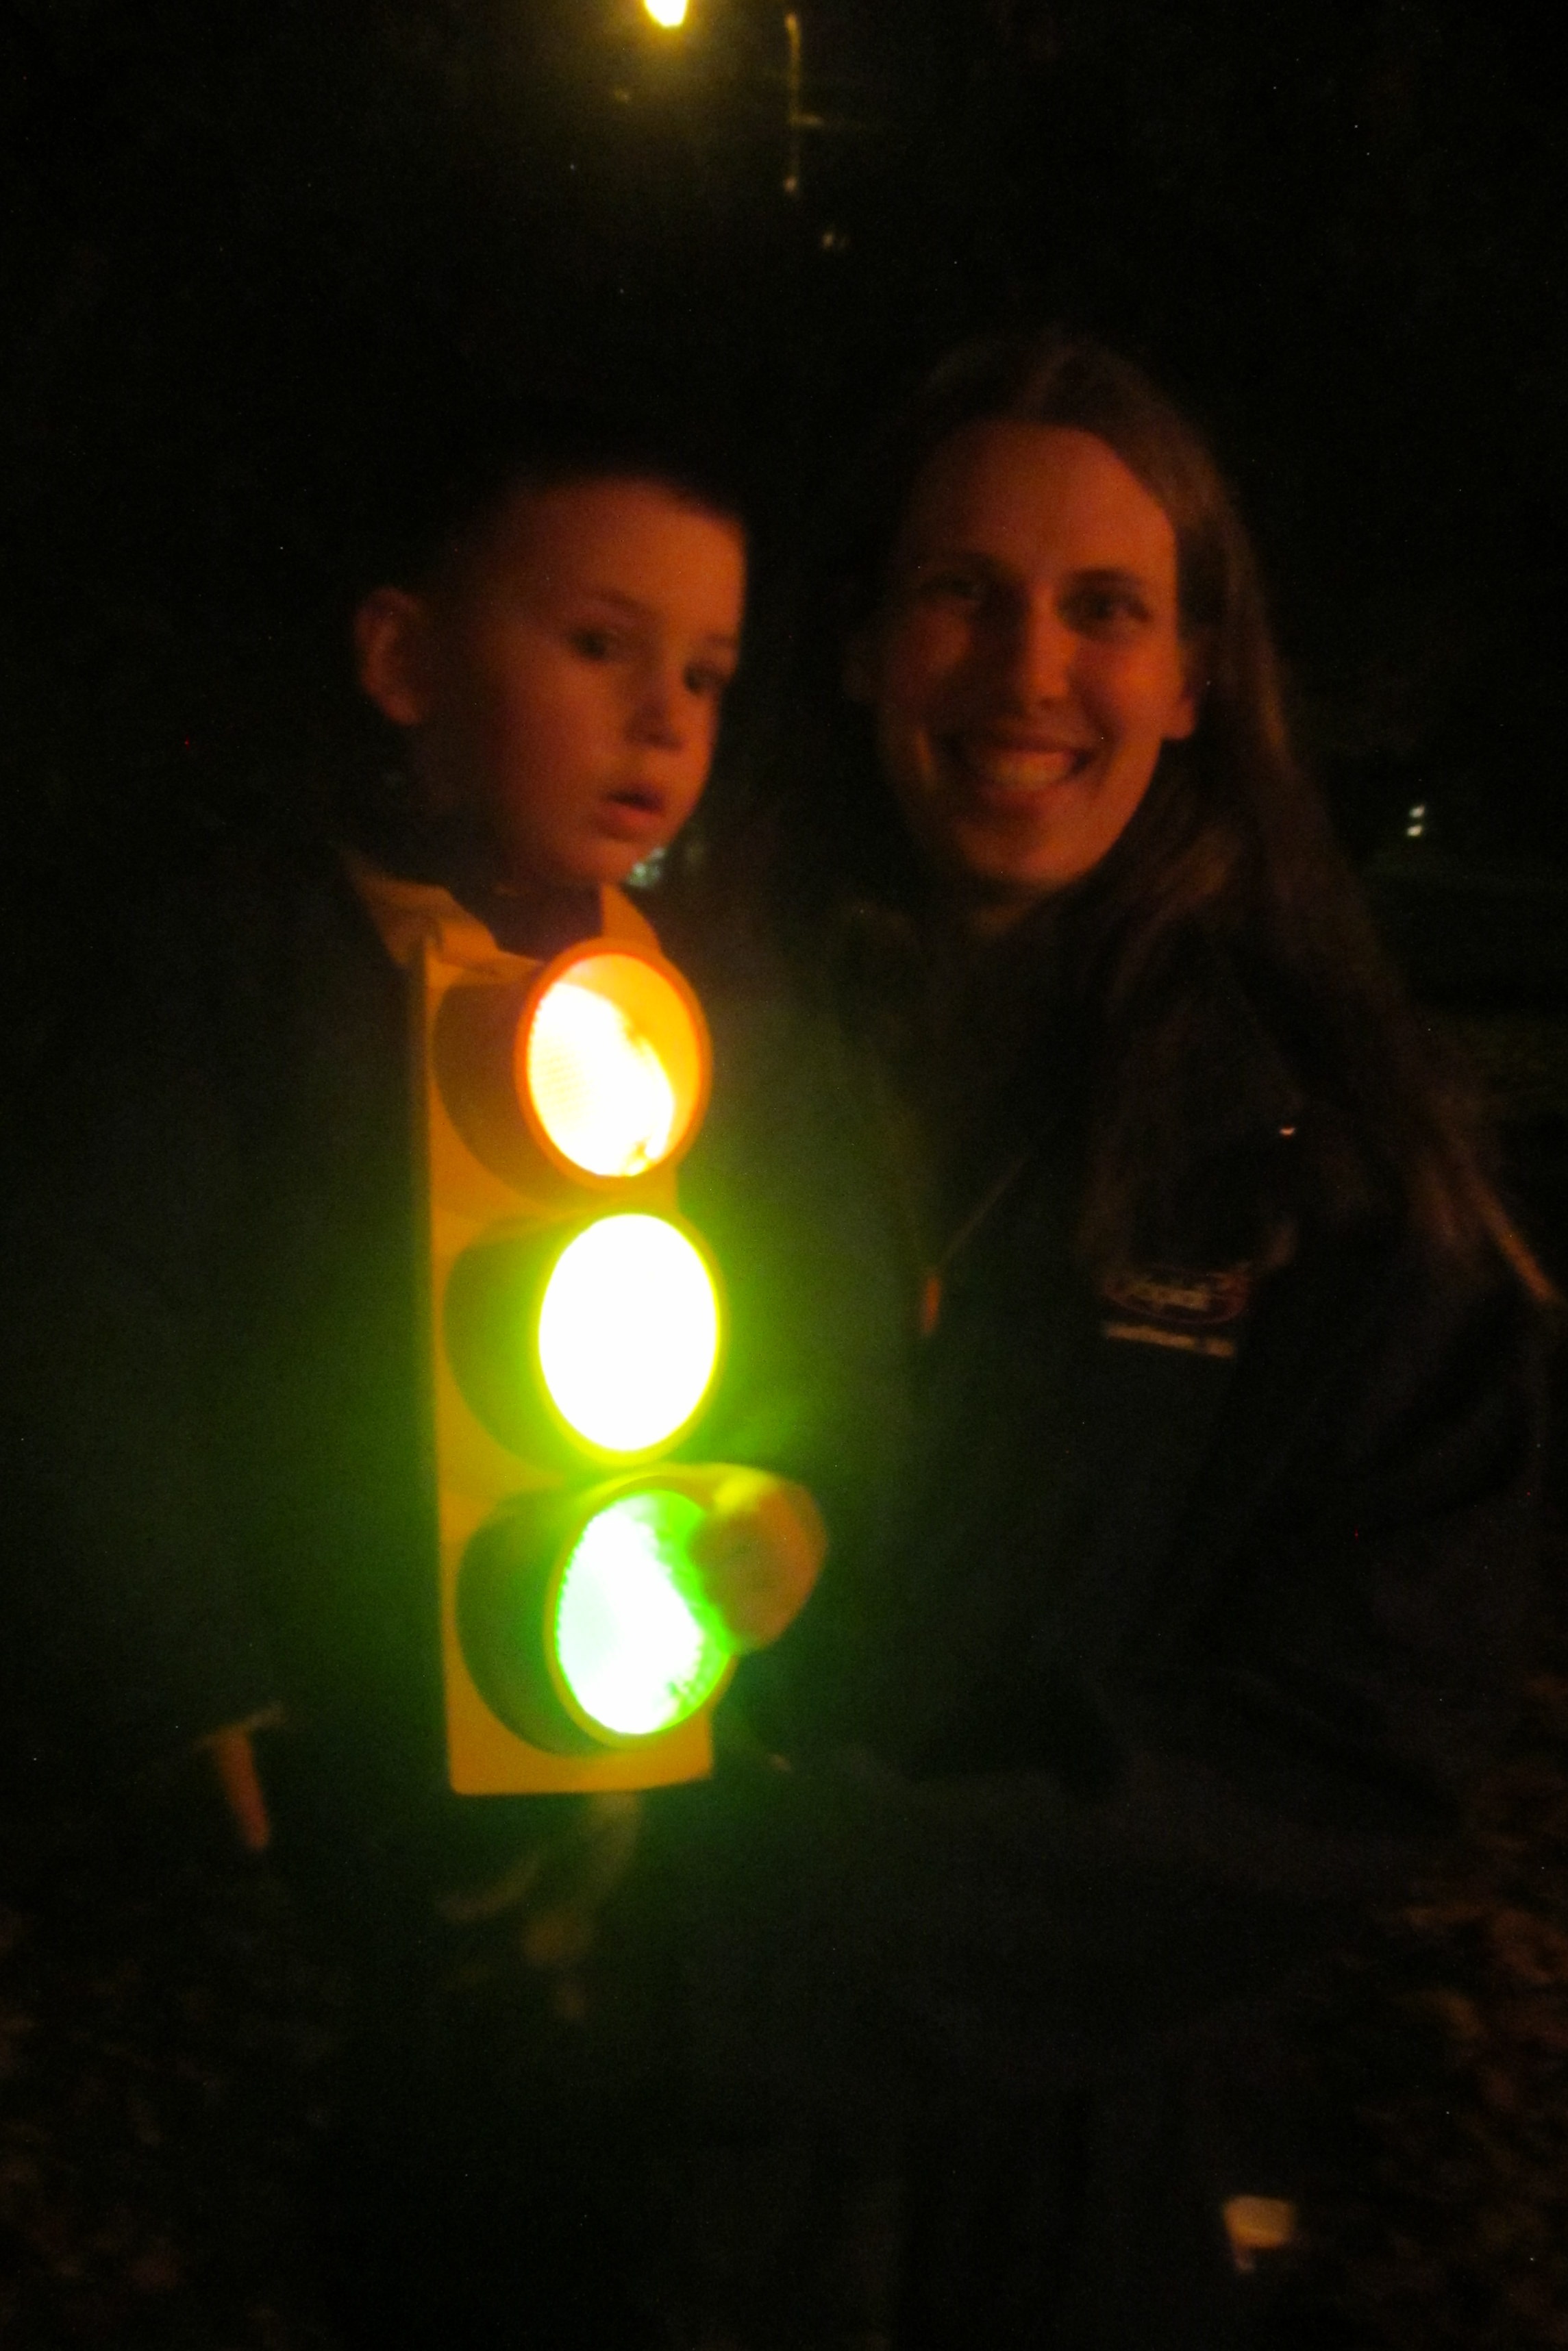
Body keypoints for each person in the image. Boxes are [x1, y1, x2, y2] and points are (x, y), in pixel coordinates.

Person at [645, 329, 1553, 2349]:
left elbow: (1350, 1739)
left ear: (1197, 675)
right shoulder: (650, 1067)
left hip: (1087, 2194)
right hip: (658, 2184)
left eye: (1106, 609)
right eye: (962, 592)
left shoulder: (1325, 1159)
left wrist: (768, 1923)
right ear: (861, 645)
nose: (1028, 670)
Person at [0, 395, 833, 2346]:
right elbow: (87, 1321)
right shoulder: (245, 969)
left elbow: (806, 1320)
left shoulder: (711, 1015)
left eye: (707, 673)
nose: (661, 716)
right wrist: (184, 1672)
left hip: (615, 1756)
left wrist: (787, 1505)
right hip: (317, 1758)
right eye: (599, 643)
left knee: (578, 2197)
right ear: (400, 659)